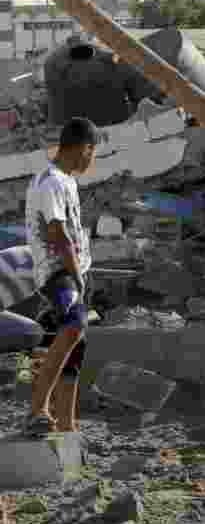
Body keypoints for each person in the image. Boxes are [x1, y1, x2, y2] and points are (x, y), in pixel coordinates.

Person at [22, 117, 96, 437]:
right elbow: (57, 233)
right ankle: (38, 409)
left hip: (75, 271)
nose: (91, 159)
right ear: (82, 148)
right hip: (59, 273)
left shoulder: (67, 181)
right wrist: (77, 275)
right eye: (92, 151)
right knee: (73, 327)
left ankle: (67, 425)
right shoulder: (50, 181)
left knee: (74, 350)